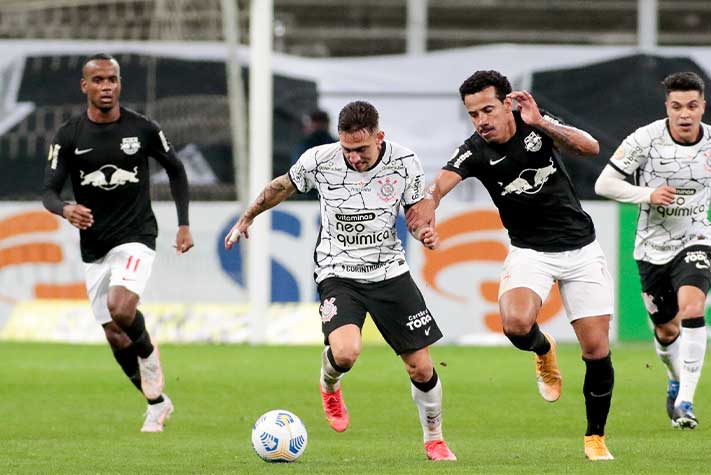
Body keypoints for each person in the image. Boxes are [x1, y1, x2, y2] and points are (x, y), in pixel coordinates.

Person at [224, 100, 456, 461]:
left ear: (380, 137)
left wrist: (426, 230)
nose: (354, 158)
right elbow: (281, 187)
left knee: (421, 366)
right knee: (346, 353)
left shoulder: (405, 162)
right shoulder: (320, 160)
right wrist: (247, 217)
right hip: (338, 271)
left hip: (390, 272)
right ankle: (329, 384)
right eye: (348, 150)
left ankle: (434, 438)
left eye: (362, 149)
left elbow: (417, 212)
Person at [406, 70, 616, 461]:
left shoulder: (535, 123)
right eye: (472, 114)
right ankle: (543, 350)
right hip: (530, 252)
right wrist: (429, 205)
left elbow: (590, 148)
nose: (481, 120)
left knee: (595, 349)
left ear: (508, 104)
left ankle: (595, 438)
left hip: (582, 251)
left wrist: (543, 123)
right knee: (516, 325)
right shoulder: (474, 150)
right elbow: (439, 184)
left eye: (487, 109)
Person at [42, 53, 193, 432]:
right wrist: (65, 209)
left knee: (122, 308)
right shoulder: (69, 136)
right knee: (112, 330)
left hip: (137, 236)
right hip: (94, 246)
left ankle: (148, 353)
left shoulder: (142, 129)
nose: (106, 86)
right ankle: (156, 403)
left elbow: (176, 170)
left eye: (112, 79)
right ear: (85, 86)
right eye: (98, 80)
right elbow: (48, 192)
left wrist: (184, 224)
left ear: (119, 84)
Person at [595, 71, 710, 430]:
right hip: (651, 249)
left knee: (692, 308)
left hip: (696, 240)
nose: (685, 114)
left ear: (702, 106)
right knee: (666, 331)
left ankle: (686, 401)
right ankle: (675, 380)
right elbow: (604, 184)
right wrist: (647, 194)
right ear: (668, 108)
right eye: (677, 107)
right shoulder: (645, 139)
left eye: (692, 106)